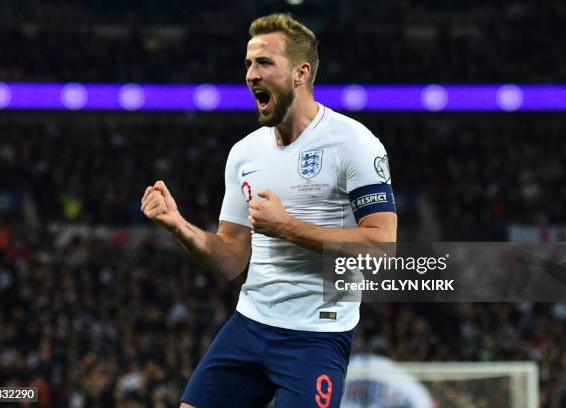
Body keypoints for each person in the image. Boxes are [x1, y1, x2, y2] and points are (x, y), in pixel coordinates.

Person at [140, 13, 397, 408]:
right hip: (250, 324)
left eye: (264, 63)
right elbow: (229, 260)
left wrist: (288, 227)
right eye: (248, 64)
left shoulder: (354, 144)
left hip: (316, 336)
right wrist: (178, 226)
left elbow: (382, 247)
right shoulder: (245, 154)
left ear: (301, 73)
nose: (251, 75)